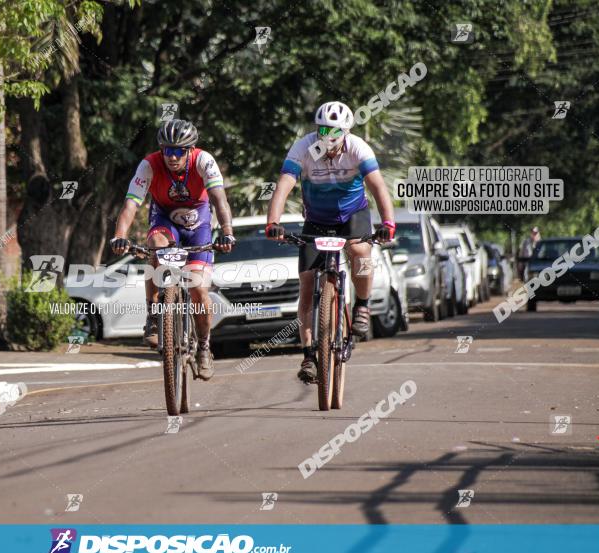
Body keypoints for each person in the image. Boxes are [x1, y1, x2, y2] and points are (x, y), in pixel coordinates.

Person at [265, 101, 395, 383]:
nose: (328, 136)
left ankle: (362, 303)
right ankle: (309, 354)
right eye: (323, 129)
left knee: (361, 250)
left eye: (335, 131)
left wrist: (388, 223)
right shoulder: (304, 147)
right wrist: (273, 222)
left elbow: (377, 186)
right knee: (308, 282)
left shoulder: (359, 148)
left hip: (352, 215)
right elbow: (285, 183)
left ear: (346, 132)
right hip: (317, 218)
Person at [109, 119, 235, 380]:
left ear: (190, 150)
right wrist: (119, 236)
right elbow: (131, 204)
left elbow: (219, 199)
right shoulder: (149, 164)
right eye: (168, 150)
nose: (173, 156)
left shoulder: (204, 161)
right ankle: (154, 314)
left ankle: (203, 346)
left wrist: (226, 232)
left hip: (198, 221)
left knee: (199, 289)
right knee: (154, 247)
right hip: (164, 218)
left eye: (179, 151)